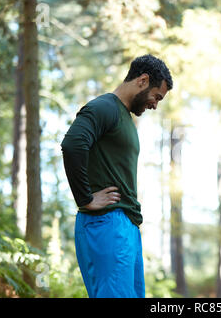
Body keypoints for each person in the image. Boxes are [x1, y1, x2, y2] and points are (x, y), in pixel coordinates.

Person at [61, 54, 173, 298]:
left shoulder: (124, 117)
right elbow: (73, 144)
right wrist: (85, 198)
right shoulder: (105, 107)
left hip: (125, 224)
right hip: (106, 222)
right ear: (143, 80)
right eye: (157, 96)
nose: (155, 104)